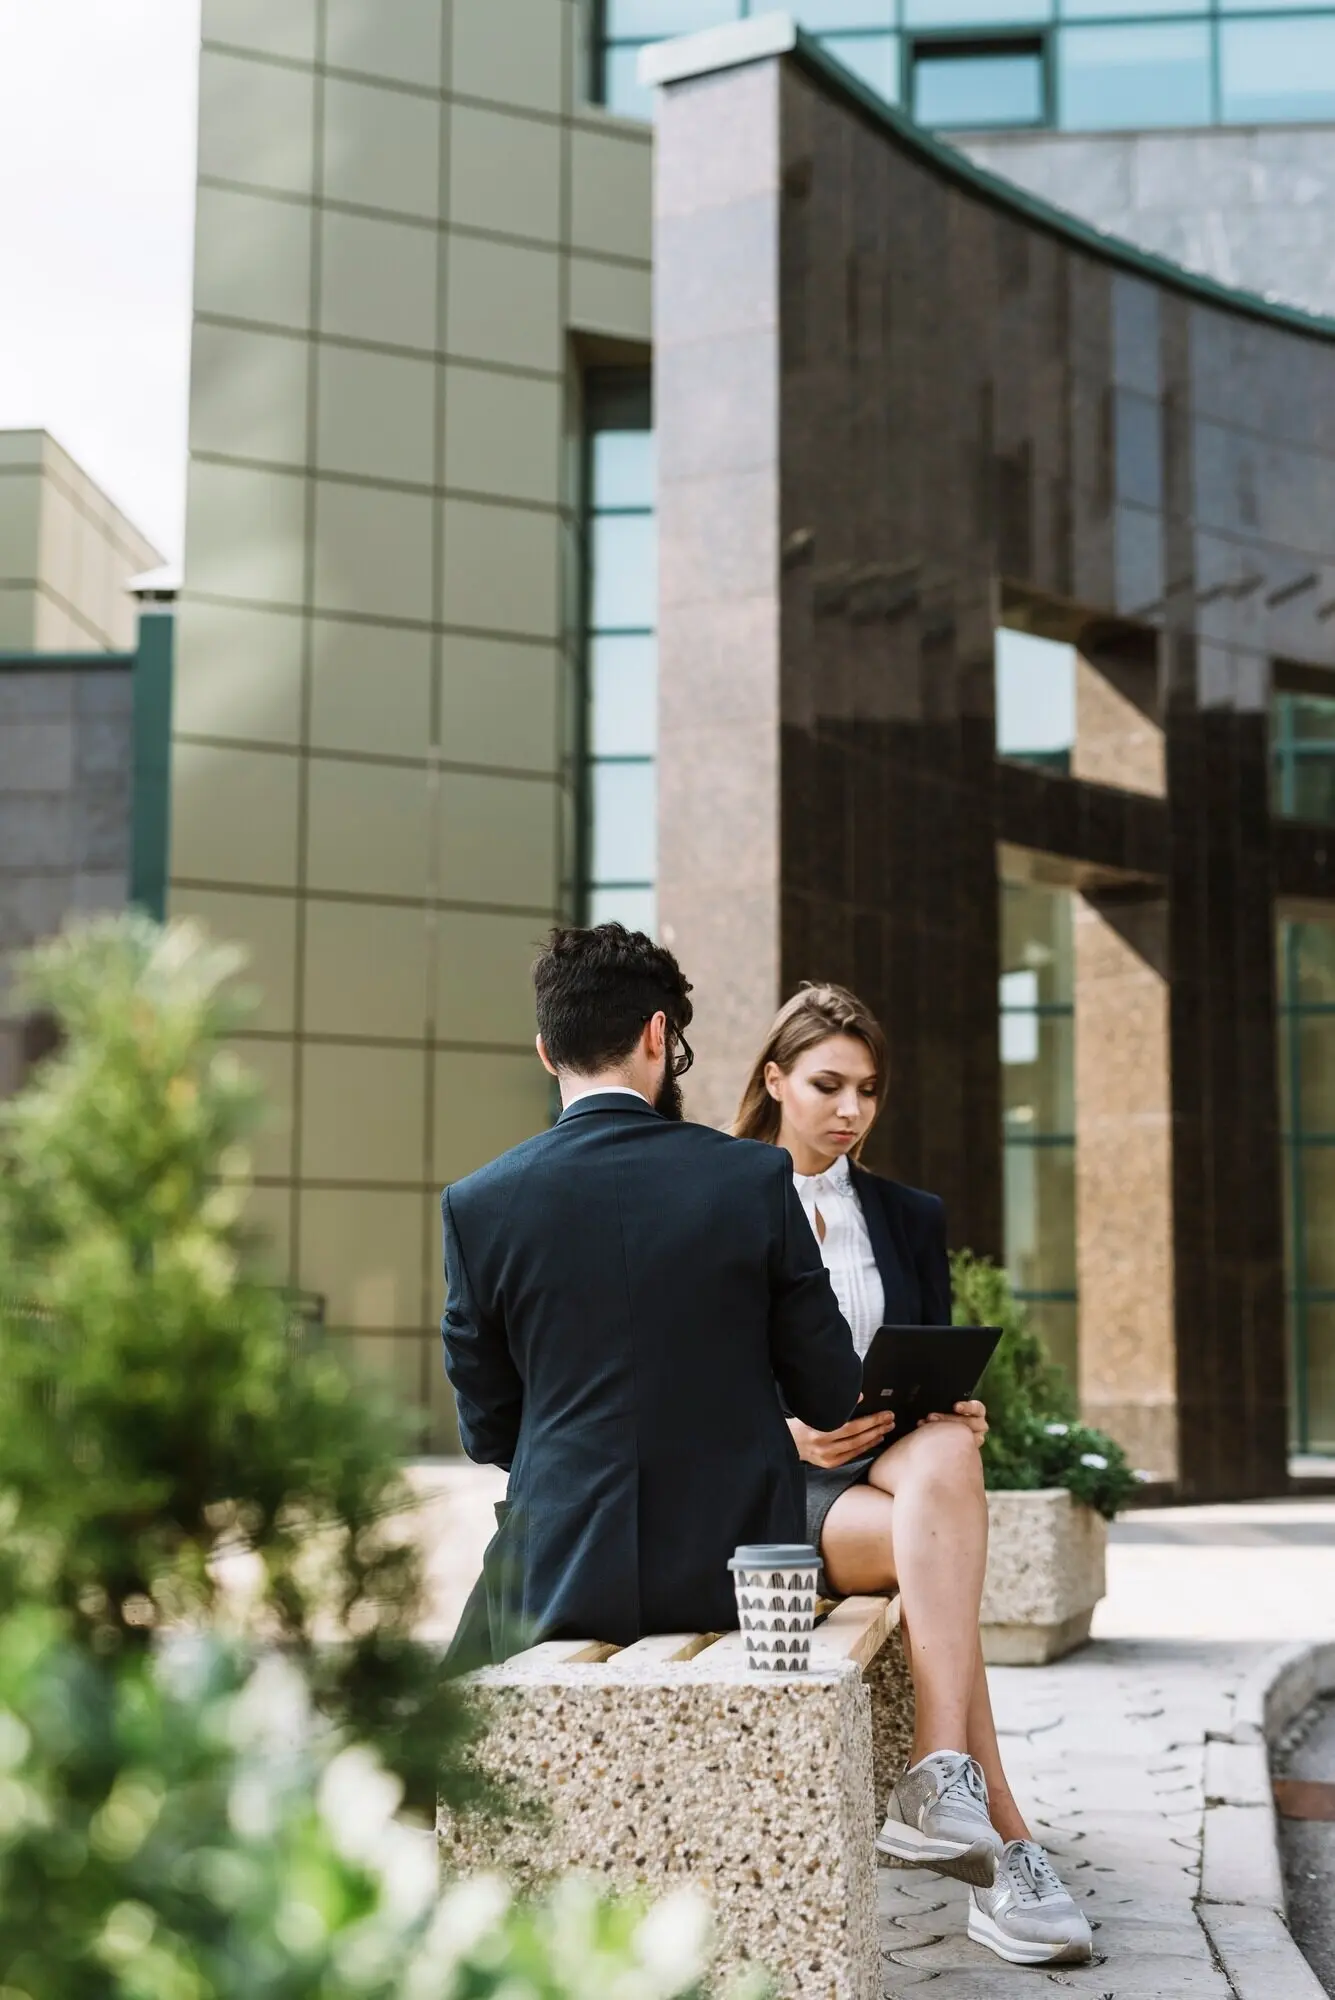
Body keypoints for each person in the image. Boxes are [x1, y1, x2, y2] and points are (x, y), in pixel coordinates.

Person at [735, 983, 1093, 1969]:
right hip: (780, 1487)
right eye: (827, 1084)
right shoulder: (720, 1196)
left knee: (950, 1450)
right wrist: (783, 1424)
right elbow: (684, 1378)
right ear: (775, 1079)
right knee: (944, 1546)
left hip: (893, 1465)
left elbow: (917, 1351)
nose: (850, 1108)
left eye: (868, 1089)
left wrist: (950, 1404)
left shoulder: (904, 1214)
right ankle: (1007, 1838)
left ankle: (939, 1773)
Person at [440, 924, 862, 1667]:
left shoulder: (477, 1204)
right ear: (657, 1035)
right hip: (734, 1579)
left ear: (546, 1051)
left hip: (557, 1576)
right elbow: (827, 1392)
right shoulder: (753, 1180)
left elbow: (488, 1433)